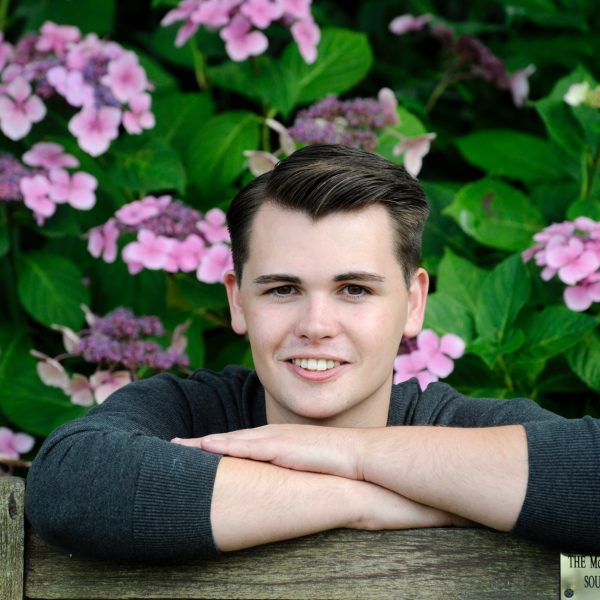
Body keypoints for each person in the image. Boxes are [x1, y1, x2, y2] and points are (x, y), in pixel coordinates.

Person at [25, 144, 600, 562]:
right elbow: (71, 485)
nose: (316, 326)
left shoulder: (462, 425)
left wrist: (344, 452)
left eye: (355, 290)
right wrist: (364, 501)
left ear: (414, 301)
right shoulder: (188, 411)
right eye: (282, 289)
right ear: (238, 300)